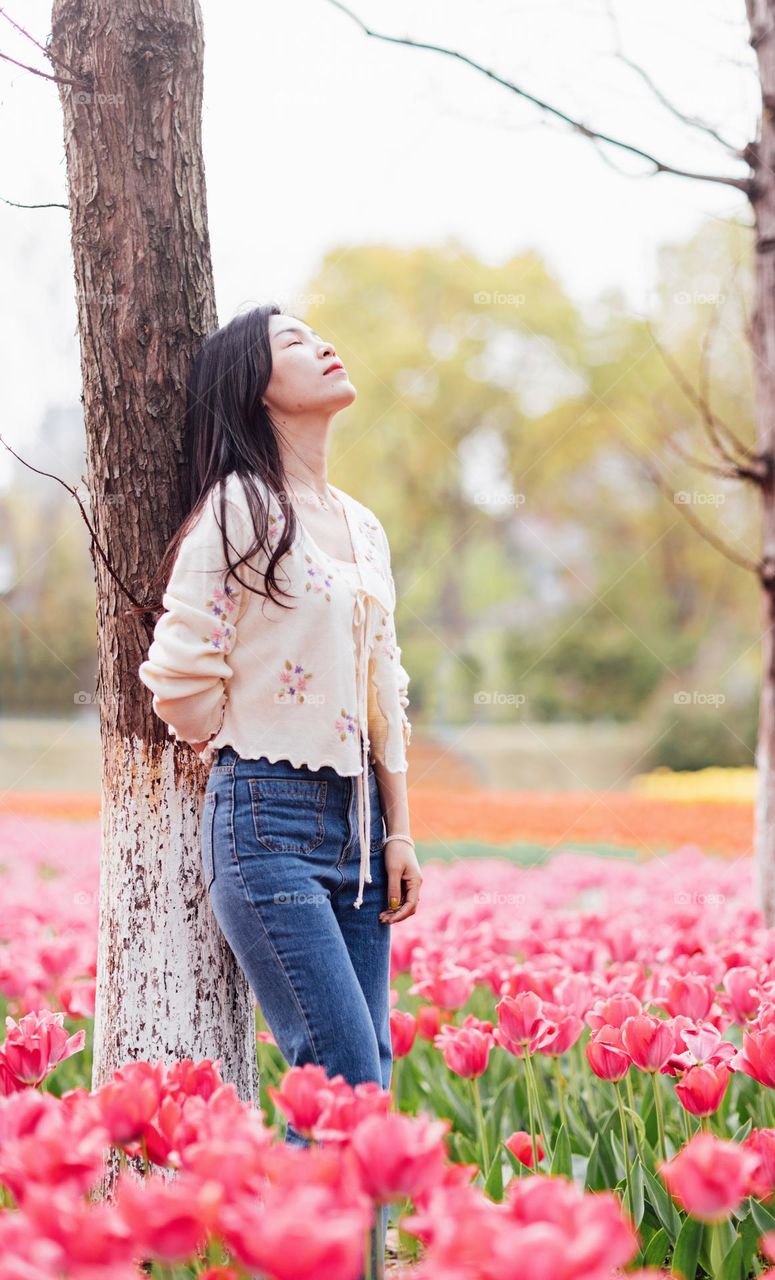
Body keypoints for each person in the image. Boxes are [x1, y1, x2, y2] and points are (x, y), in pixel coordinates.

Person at [137, 303, 422, 1277]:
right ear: (256, 384)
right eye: (291, 340)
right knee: (337, 1077)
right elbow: (179, 666)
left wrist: (400, 830)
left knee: (367, 1085)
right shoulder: (239, 506)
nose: (321, 341)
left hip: (361, 828)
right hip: (264, 819)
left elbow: (384, 679)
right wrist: (239, 730)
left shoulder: (362, 525)